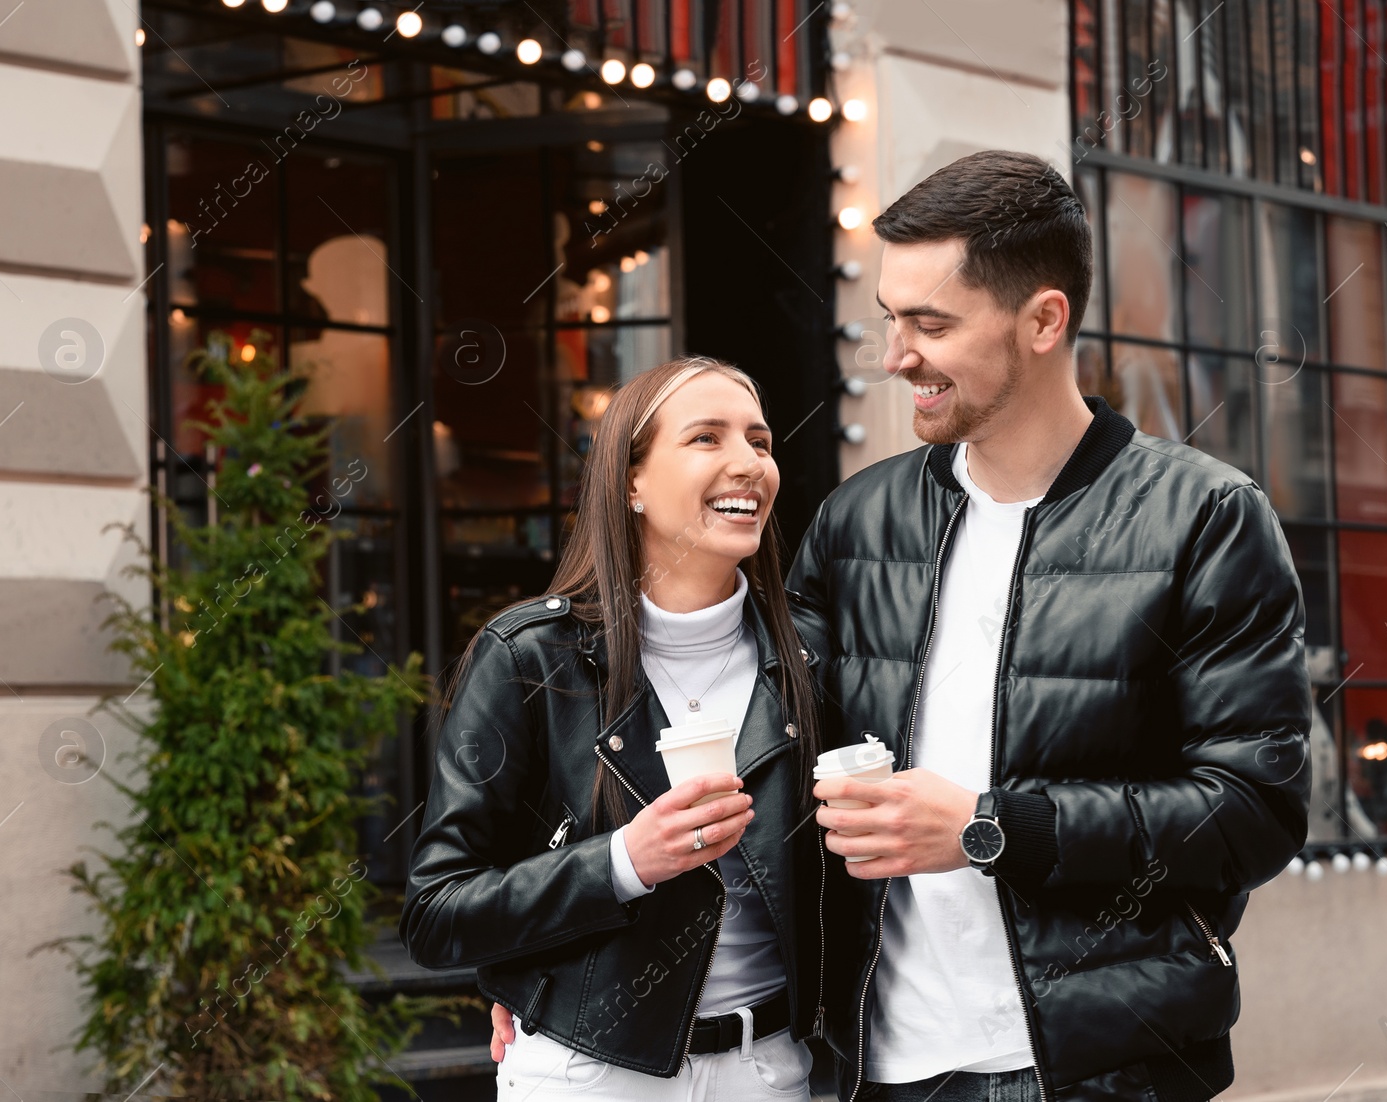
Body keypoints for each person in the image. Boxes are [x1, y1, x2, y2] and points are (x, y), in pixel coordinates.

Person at [787, 150, 1311, 1102]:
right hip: (882, 1069)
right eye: (891, 320)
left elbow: (1253, 812)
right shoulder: (854, 523)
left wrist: (992, 830)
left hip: (1101, 1068)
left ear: (1042, 319)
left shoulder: (1204, 517)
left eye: (931, 323)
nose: (896, 354)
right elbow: (757, 747)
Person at [403, 357, 827, 1101]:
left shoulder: (813, 657)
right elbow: (438, 913)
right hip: (589, 1075)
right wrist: (625, 861)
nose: (748, 464)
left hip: (771, 1070)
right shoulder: (529, 658)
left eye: (760, 442)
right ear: (630, 482)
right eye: (706, 438)